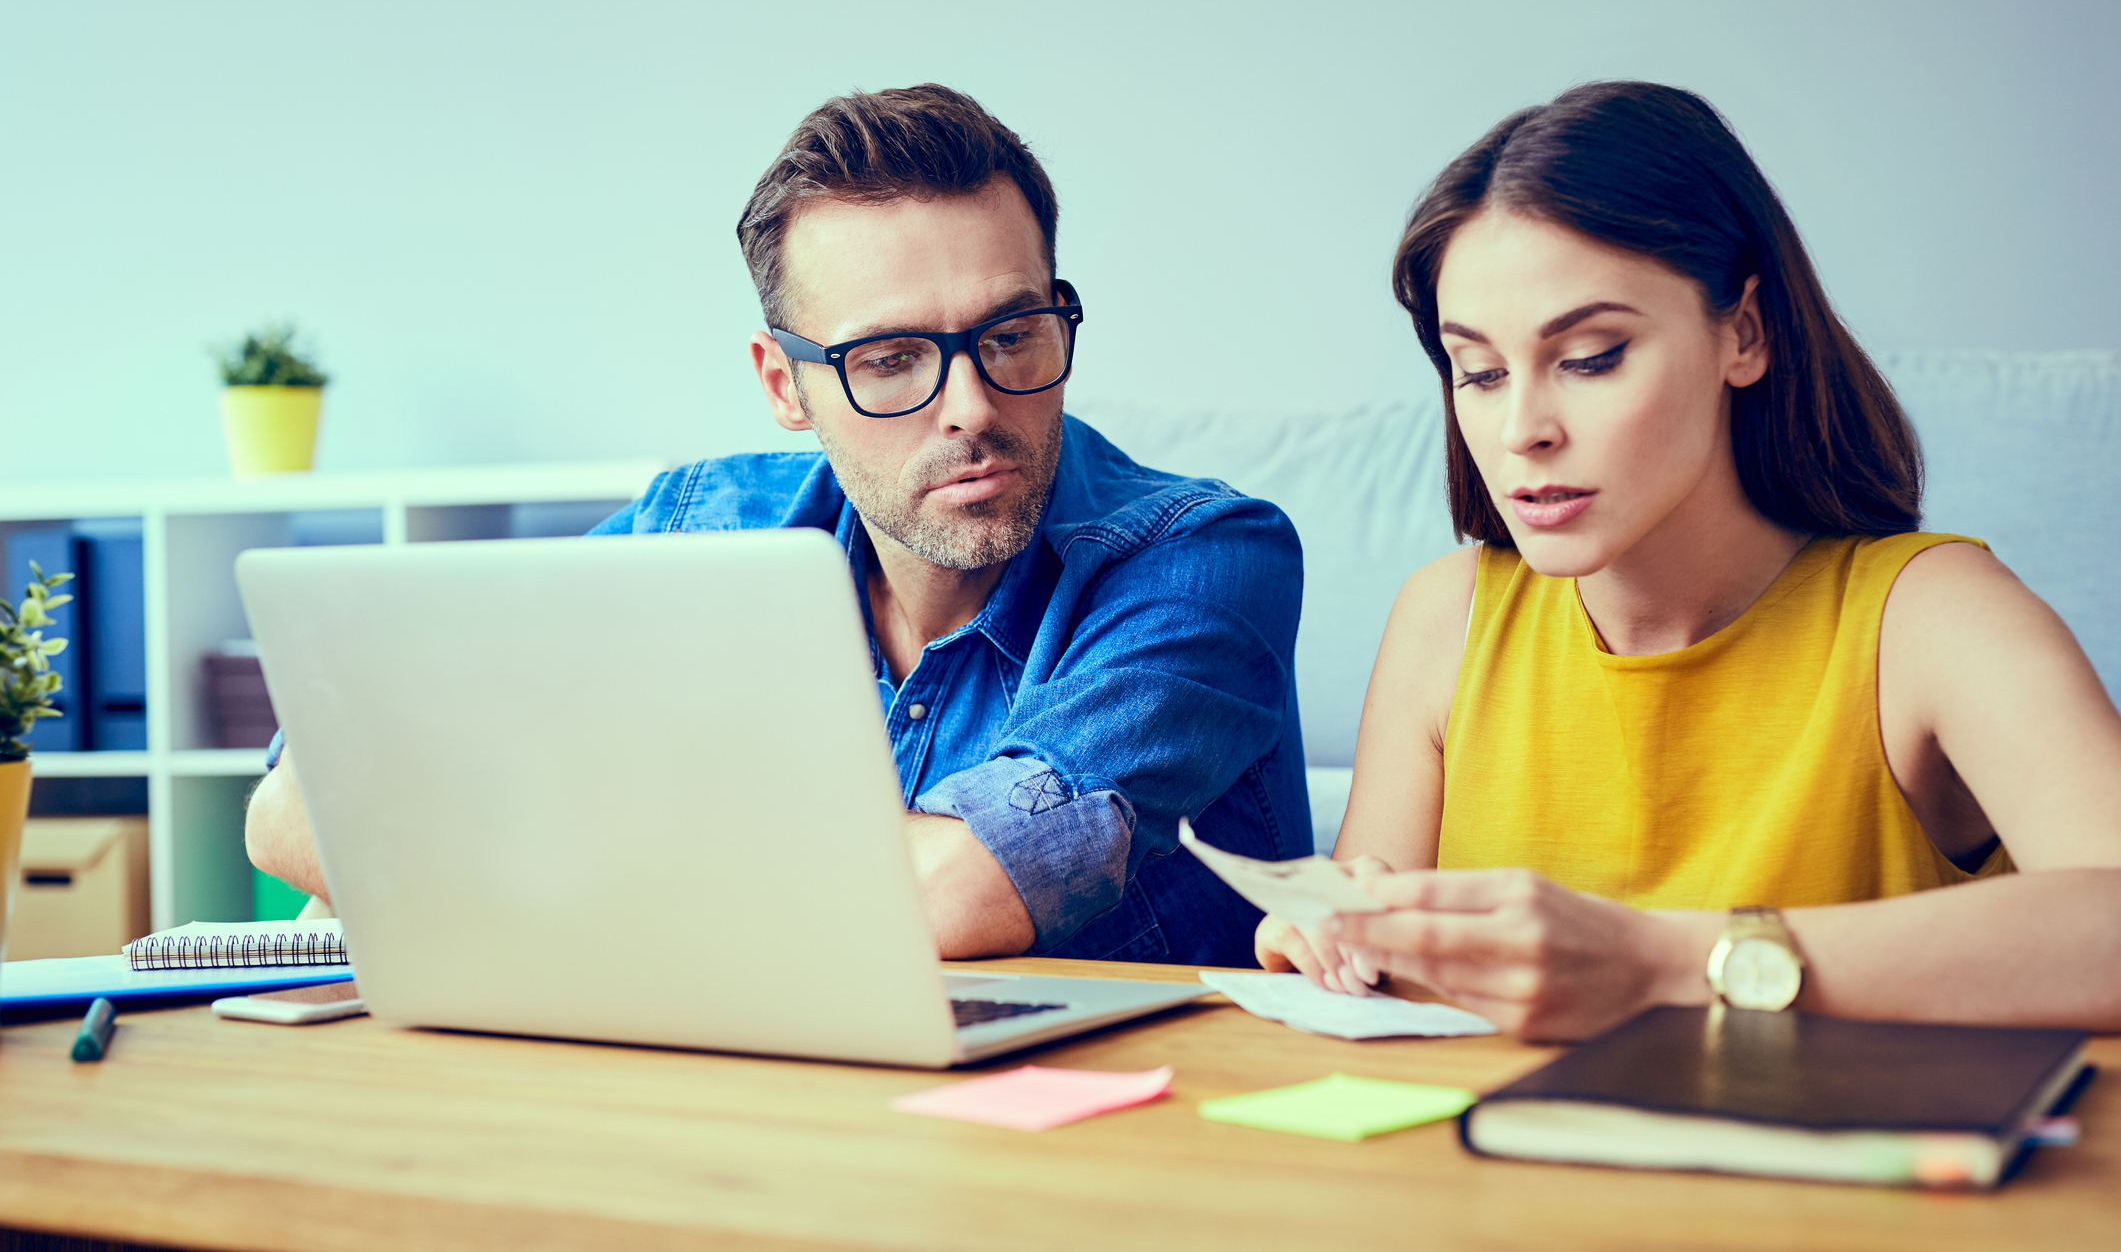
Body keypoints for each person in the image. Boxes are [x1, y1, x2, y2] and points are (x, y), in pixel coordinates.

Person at [247, 83, 1311, 965]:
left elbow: (954, 890)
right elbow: (300, 798)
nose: (974, 406)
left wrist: (515, 852)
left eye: (1013, 332)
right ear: (784, 386)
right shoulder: (698, 530)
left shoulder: (1205, 560)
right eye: (889, 359)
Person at [1258, 81, 2121, 1037]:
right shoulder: (1445, 617)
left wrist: (1656, 963)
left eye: (1589, 357)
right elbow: (1368, 980)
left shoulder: (1930, 614)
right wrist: (1337, 940)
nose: (1520, 430)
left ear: (1742, 333)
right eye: (1479, 372)